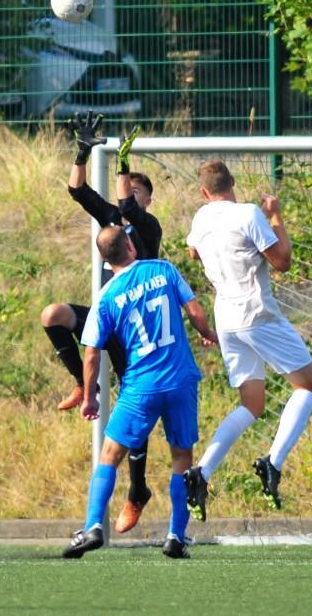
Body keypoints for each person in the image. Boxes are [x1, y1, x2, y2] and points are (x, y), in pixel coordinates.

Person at [62, 226, 217, 560]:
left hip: (141, 386)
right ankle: (176, 536)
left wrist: (89, 396)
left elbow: (91, 352)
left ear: (105, 259)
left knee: (110, 455)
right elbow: (194, 311)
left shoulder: (106, 296)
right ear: (131, 245)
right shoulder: (163, 269)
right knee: (181, 458)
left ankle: (92, 527)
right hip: (179, 380)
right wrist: (208, 333)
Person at [40, 111, 162, 534]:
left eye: (138, 191)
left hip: (138, 332)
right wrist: (83, 152)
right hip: (109, 317)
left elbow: (126, 204)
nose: (131, 194)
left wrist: (124, 163)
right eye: (130, 188)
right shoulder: (110, 216)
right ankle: (81, 383)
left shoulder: (147, 225)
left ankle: (137, 491)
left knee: (136, 408)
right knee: (53, 315)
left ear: (146, 199)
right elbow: (77, 190)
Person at [182, 160, 312, 521]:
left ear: (204, 193)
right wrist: (274, 216)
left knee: (252, 404)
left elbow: (194, 252)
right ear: (234, 183)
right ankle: (273, 462)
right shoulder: (247, 213)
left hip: (226, 320)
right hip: (257, 315)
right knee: (307, 387)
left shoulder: (200, 219)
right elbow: (283, 261)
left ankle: (201, 472)